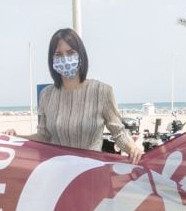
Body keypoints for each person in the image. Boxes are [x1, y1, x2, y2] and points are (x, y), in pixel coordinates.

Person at [30, 28, 143, 163]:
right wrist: (11, 138)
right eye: (59, 54)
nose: (65, 58)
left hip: (91, 174)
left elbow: (118, 133)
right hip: (58, 175)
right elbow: (43, 136)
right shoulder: (46, 95)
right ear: (52, 60)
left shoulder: (102, 91)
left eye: (70, 52)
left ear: (81, 56)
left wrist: (133, 149)